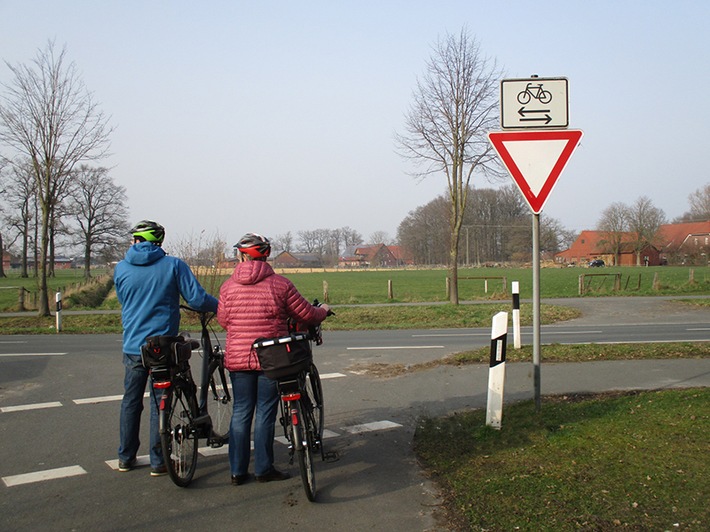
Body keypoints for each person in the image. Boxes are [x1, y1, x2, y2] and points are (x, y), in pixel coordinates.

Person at [217, 232, 330, 486]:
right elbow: (306, 313)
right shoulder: (280, 285)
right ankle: (264, 468)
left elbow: (224, 321)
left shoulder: (227, 287)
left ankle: (237, 471)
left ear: (242, 256)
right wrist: (322, 311)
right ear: (265, 255)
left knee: (241, 411)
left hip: (238, 358)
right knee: (266, 411)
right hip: (271, 358)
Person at [114, 220, 218, 476]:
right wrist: (219, 306)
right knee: (161, 402)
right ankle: (158, 460)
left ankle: (125, 457)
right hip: (163, 346)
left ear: (136, 241)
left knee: (131, 401)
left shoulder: (121, 269)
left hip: (133, 346)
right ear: (159, 242)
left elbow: (123, 299)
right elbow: (196, 299)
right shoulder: (173, 265)